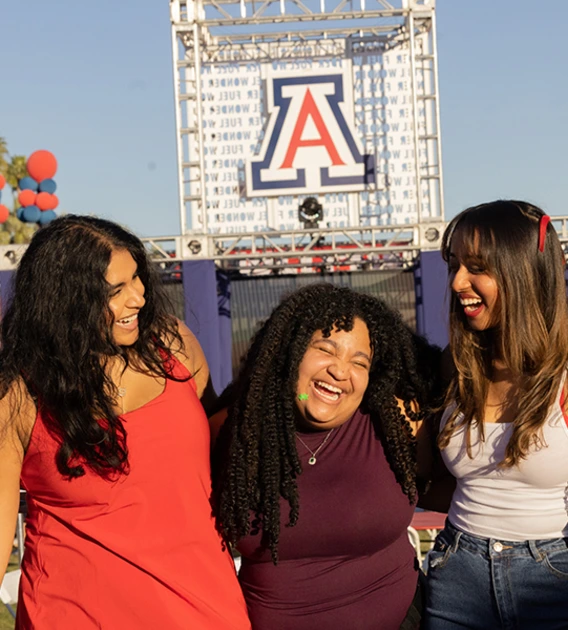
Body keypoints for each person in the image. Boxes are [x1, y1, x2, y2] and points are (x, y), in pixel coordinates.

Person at [0, 215, 250, 629]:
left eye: (137, 278)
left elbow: (226, 446)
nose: (138, 297)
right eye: (116, 290)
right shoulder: (18, 396)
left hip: (204, 609)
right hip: (70, 615)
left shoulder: (174, 343)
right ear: (66, 301)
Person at [211, 283, 441, 630]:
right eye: (326, 349)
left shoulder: (396, 422)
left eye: (358, 362)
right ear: (289, 350)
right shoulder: (229, 433)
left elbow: (464, 492)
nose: (340, 371)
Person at [425, 200, 568, 630]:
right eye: (454, 265)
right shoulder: (455, 366)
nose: (457, 282)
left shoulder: (564, 374)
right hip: (455, 573)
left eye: (477, 267)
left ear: (522, 272)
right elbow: (425, 480)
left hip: (553, 579)